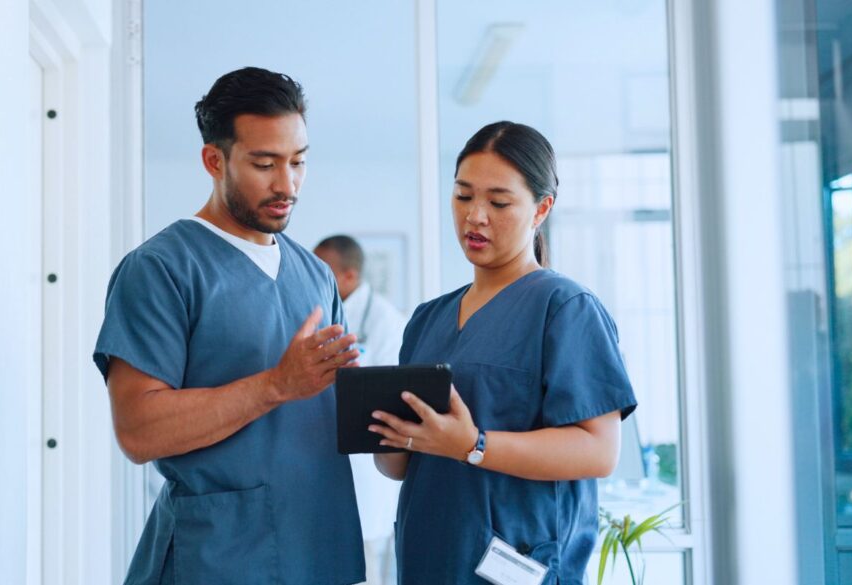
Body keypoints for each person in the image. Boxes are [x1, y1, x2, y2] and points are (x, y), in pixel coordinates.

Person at [93, 67, 365, 585]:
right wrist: (275, 386)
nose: (287, 184)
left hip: (319, 547)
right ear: (214, 160)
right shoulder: (161, 269)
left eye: (298, 162)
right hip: (220, 558)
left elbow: (328, 410)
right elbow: (137, 430)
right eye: (264, 164)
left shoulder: (315, 275)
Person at [371, 121, 637, 585]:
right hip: (429, 558)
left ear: (541, 209)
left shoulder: (565, 308)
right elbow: (398, 466)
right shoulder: (427, 319)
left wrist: (473, 446)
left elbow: (599, 450)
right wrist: (383, 429)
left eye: (498, 202)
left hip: (516, 565)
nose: (475, 216)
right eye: (462, 196)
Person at [314, 235, 407, 585]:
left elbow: (383, 396)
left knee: (363, 572)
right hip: (321, 464)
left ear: (349, 276)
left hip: (366, 473)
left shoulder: (384, 322)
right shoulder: (319, 314)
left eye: (324, 271)